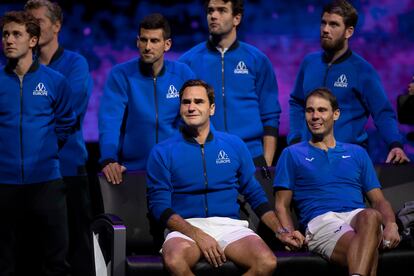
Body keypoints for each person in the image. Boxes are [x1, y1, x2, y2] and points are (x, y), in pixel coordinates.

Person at [146, 79, 304, 275]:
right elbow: (159, 206)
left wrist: (281, 232)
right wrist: (197, 234)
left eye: (198, 101)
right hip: (186, 228)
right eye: (186, 102)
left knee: (266, 261)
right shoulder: (162, 151)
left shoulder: (234, 145)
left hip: (229, 226)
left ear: (211, 108)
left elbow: (256, 196)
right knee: (175, 260)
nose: (192, 107)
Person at [274, 87, 400, 276]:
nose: (315, 116)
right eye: (310, 111)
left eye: (322, 110)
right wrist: (289, 233)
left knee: (372, 215)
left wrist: (391, 224)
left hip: (358, 219)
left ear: (336, 114)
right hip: (321, 221)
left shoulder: (357, 153)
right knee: (365, 249)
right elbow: (281, 205)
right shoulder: (292, 154)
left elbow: (379, 200)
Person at [0, 10, 76, 276]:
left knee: (55, 262)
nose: (9, 40)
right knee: (5, 262)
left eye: (16, 34)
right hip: (4, 183)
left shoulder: (55, 81)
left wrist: (48, 152)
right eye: (6, 34)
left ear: (32, 41)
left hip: (46, 182)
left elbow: (67, 122)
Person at [288, 0, 409, 164]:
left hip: (347, 161)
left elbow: (382, 113)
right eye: (323, 23)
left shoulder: (363, 70)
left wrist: (395, 144)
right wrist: (295, 139)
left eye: (333, 25)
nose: (325, 29)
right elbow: (297, 102)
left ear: (348, 31)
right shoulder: (309, 63)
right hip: (308, 158)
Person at [24, 1, 94, 275]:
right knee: (31, 251)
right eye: (28, 20)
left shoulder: (76, 64)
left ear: (57, 25)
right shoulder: (17, 69)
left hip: (68, 169)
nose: (33, 26)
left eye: (38, 20)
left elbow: (70, 113)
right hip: (27, 175)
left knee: (76, 250)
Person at [179, 0, 281, 167]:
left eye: (221, 10)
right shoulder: (187, 62)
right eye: (210, 10)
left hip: (251, 156)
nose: (213, 16)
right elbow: (179, 116)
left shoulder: (257, 60)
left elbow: (270, 115)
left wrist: (267, 162)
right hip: (203, 157)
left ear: (236, 19)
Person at [99, 13, 195, 184]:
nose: (147, 47)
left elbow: (197, 120)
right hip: (133, 171)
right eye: (143, 40)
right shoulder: (121, 75)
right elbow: (110, 121)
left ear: (167, 44)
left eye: (154, 41)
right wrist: (108, 159)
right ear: (137, 42)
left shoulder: (183, 74)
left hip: (176, 170)